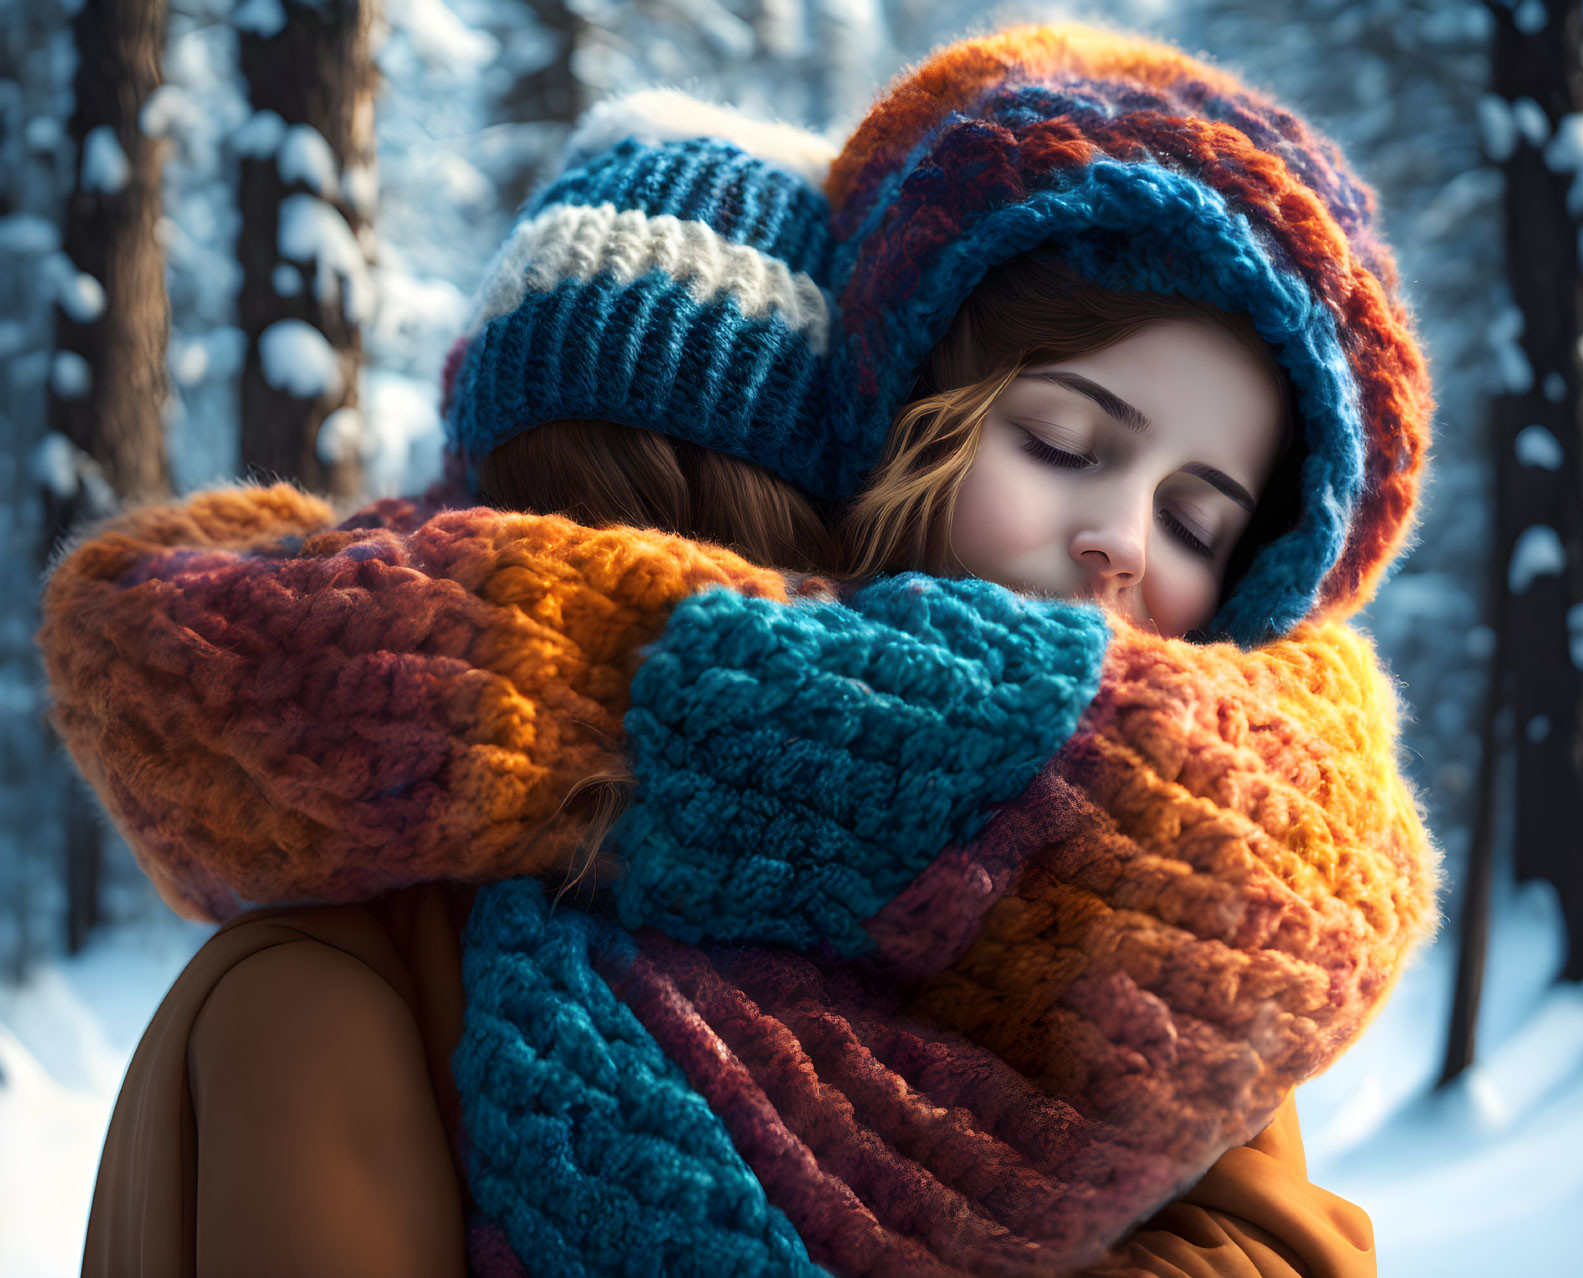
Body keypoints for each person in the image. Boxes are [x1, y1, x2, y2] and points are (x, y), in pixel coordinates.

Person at [42, 25, 1434, 1278]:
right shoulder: (337, 995)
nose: (1119, 542)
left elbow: (1267, 1234)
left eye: (1198, 517)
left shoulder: (1170, 868)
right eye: (1064, 444)